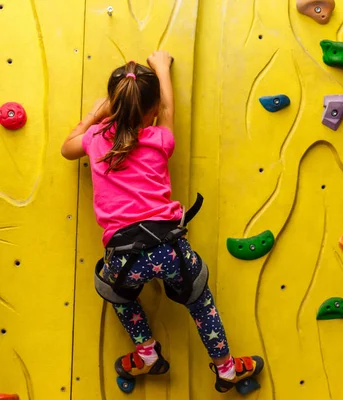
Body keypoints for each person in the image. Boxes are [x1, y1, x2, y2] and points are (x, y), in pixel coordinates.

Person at [60, 51, 263, 392]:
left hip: (125, 257)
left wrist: (94, 114)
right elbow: (167, 111)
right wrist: (162, 69)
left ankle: (146, 353)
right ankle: (226, 368)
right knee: (200, 302)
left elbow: (66, 148)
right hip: (169, 250)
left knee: (116, 293)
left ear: (113, 104)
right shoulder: (159, 141)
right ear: (151, 112)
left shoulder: (96, 140)